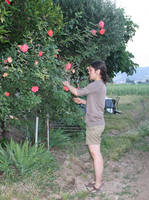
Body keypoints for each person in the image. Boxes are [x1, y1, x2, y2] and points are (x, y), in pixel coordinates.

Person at [62, 60, 108, 193]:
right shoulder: (99, 85)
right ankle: (98, 180)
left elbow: (77, 92)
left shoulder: (97, 84)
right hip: (96, 123)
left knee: (95, 154)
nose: (89, 72)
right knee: (95, 153)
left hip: (95, 124)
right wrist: (83, 102)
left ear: (97, 71)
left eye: (90, 70)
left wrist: (67, 85)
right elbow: (97, 103)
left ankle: (98, 184)